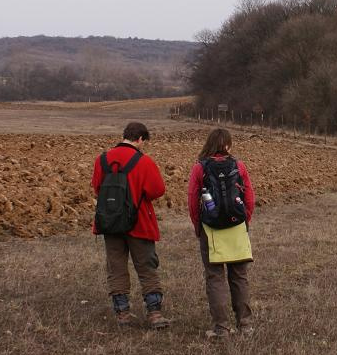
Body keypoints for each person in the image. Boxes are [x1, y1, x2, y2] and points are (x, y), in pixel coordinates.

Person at [91, 121, 170, 329]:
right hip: (139, 222)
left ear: (125, 135)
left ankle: (123, 314)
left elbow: (97, 188)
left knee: (116, 267)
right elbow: (157, 190)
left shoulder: (102, 160)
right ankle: (154, 314)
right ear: (140, 139)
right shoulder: (144, 162)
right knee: (146, 267)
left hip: (110, 222)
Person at [187, 128, 256, 338]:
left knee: (214, 278)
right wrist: (245, 221)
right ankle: (245, 325)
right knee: (239, 276)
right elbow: (250, 197)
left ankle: (222, 328)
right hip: (236, 227)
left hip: (211, 229)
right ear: (227, 145)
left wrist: (198, 226)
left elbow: (192, 200)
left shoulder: (199, 168)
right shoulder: (239, 165)